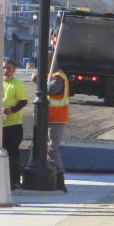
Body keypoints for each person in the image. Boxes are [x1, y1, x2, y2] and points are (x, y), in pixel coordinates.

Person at [1, 59, 28, 190]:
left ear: (14, 70)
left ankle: (15, 181)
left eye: (9, 68)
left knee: (13, 155)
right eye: (4, 68)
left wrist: (11, 110)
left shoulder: (17, 84)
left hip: (13, 126)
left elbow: (23, 101)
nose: (6, 71)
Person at [47, 61, 70, 193]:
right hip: (52, 117)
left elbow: (50, 89)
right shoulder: (55, 76)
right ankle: (54, 177)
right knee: (48, 149)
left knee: (52, 149)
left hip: (56, 118)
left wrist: (38, 80)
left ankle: (59, 180)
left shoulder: (58, 78)